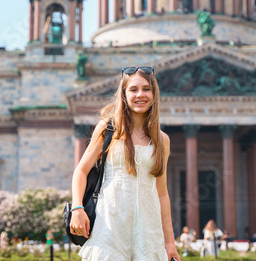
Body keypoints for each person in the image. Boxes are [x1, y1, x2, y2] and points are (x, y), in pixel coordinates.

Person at [70, 66, 180, 261]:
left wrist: (170, 243)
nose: (140, 95)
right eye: (133, 89)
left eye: (146, 89)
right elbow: (81, 170)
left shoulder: (162, 140)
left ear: (154, 94)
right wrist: (77, 208)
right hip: (111, 224)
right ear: (124, 94)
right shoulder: (108, 128)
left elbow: (162, 194)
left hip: (147, 230)